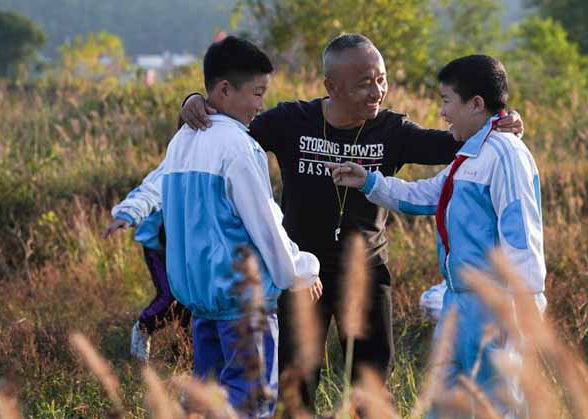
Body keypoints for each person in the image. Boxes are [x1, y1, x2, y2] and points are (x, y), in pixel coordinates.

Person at [166, 33, 524, 412]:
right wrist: (193, 101)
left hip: (366, 273)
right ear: (331, 86)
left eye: (382, 79)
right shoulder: (291, 121)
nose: (377, 91)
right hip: (304, 278)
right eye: (364, 83)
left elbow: (455, 141)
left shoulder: (392, 131)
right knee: (296, 382)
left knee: (370, 383)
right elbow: (229, 128)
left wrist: (500, 120)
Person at [329, 54, 546, 414]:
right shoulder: (471, 155)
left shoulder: (506, 155)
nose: (442, 113)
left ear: (476, 104)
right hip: (459, 303)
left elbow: (522, 234)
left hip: (497, 305)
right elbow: (428, 195)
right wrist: (368, 181)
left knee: (499, 405)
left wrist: (524, 307)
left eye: (447, 101)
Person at [159, 36, 322, 416]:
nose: (259, 105)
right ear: (224, 89)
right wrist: (300, 270)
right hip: (243, 303)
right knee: (250, 402)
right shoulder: (239, 147)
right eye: (256, 93)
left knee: (207, 399)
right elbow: (265, 223)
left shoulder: (181, 142)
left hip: (202, 301)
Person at [104, 167, 191, 362]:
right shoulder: (176, 163)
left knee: (189, 302)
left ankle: (184, 356)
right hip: (158, 247)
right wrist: (127, 214)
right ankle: (143, 330)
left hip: (185, 247)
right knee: (169, 296)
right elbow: (149, 192)